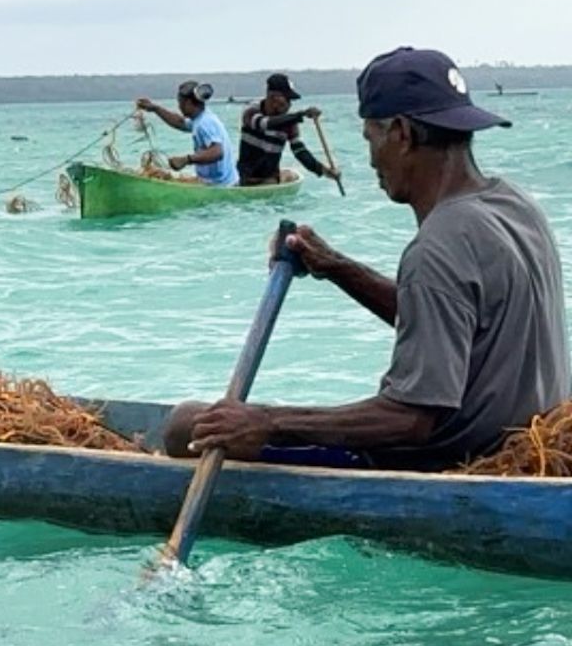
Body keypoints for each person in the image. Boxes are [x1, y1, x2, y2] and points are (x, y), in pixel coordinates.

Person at [164, 47, 569, 471]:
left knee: (184, 426)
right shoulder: (517, 205)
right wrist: (337, 267)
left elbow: (411, 420)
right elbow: (444, 317)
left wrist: (267, 421)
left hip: (451, 459)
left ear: (401, 133)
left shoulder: (438, 247)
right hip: (522, 448)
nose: (372, 159)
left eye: (369, 139)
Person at [237, 73, 342, 186]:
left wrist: (325, 171)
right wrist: (301, 114)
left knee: (290, 176)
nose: (289, 104)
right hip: (245, 179)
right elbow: (264, 123)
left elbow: (300, 152)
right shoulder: (251, 110)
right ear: (273, 97)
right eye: (287, 99)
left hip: (270, 180)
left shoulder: (289, 123)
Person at [136, 81, 238, 186]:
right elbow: (180, 122)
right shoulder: (200, 118)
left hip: (220, 185)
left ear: (188, 103)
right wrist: (155, 108)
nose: (179, 106)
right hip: (213, 182)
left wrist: (186, 160)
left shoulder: (205, 123)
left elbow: (217, 152)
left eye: (180, 102)